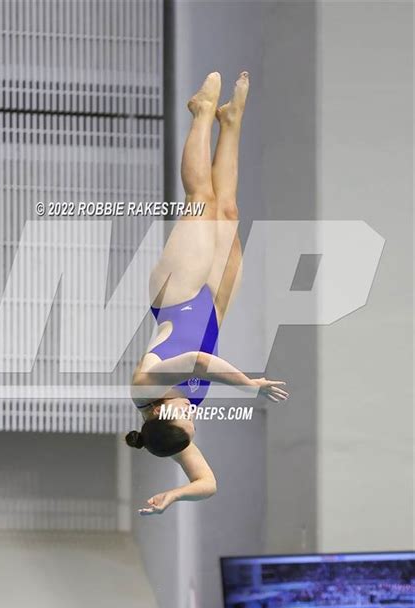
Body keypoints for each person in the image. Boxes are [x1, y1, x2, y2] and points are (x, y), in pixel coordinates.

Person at [128, 72, 288, 516]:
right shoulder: (173, 432)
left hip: (176, 295)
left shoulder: (144, 387)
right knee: (229, 210)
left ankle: (201, 113)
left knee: (200, 199)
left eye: (187, 417)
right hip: (212, 311)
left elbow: (198, 362)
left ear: (160, 414)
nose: (194, 415)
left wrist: (248, 386)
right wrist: (175, 495)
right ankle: (231, 121)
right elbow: (208, 482)